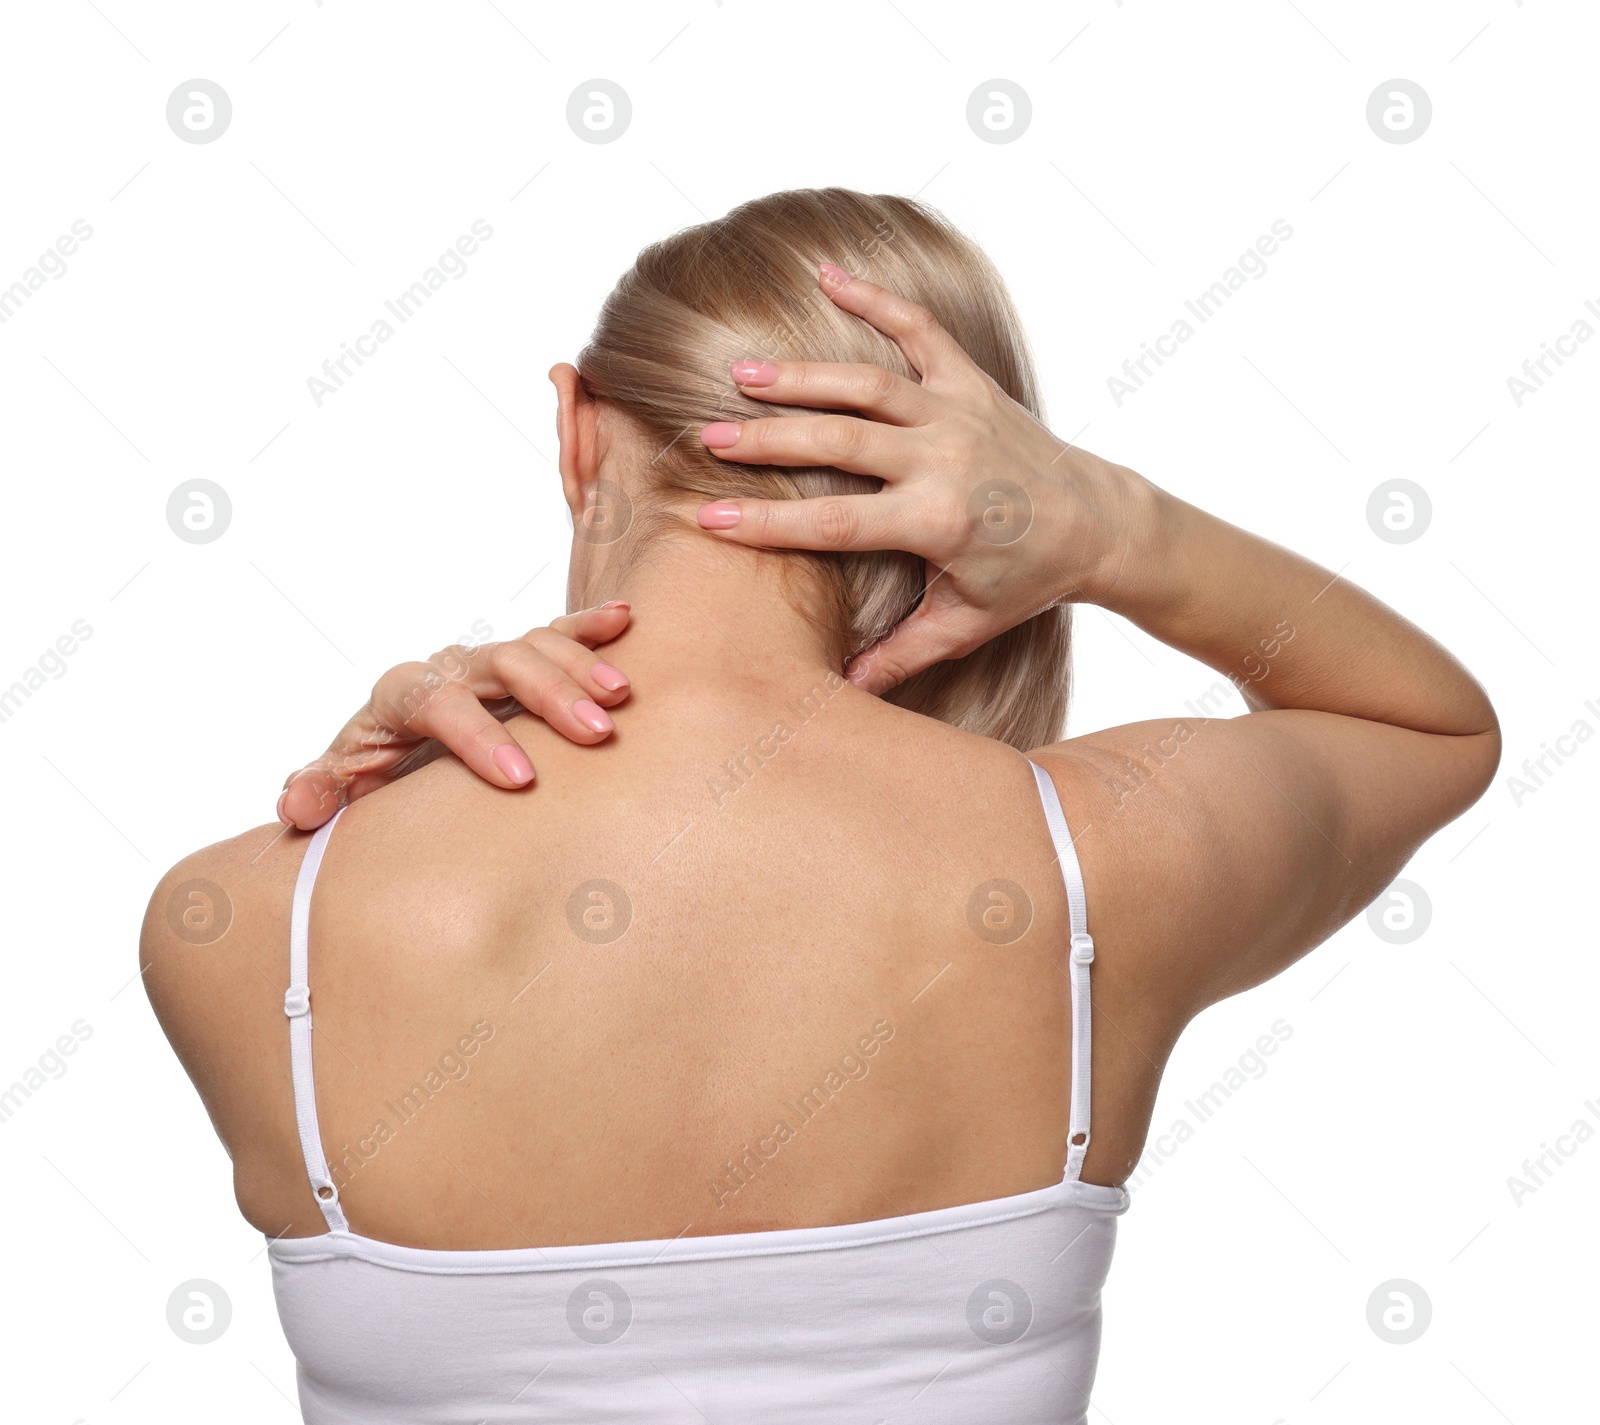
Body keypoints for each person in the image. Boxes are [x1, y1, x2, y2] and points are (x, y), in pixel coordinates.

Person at [143, 188, 1500, 1423]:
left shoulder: (244, 931)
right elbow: (1431, 724)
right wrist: (1110, 523)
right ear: (983, 487)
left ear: (578, 430)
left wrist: (352, 813)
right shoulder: (1100, 868)